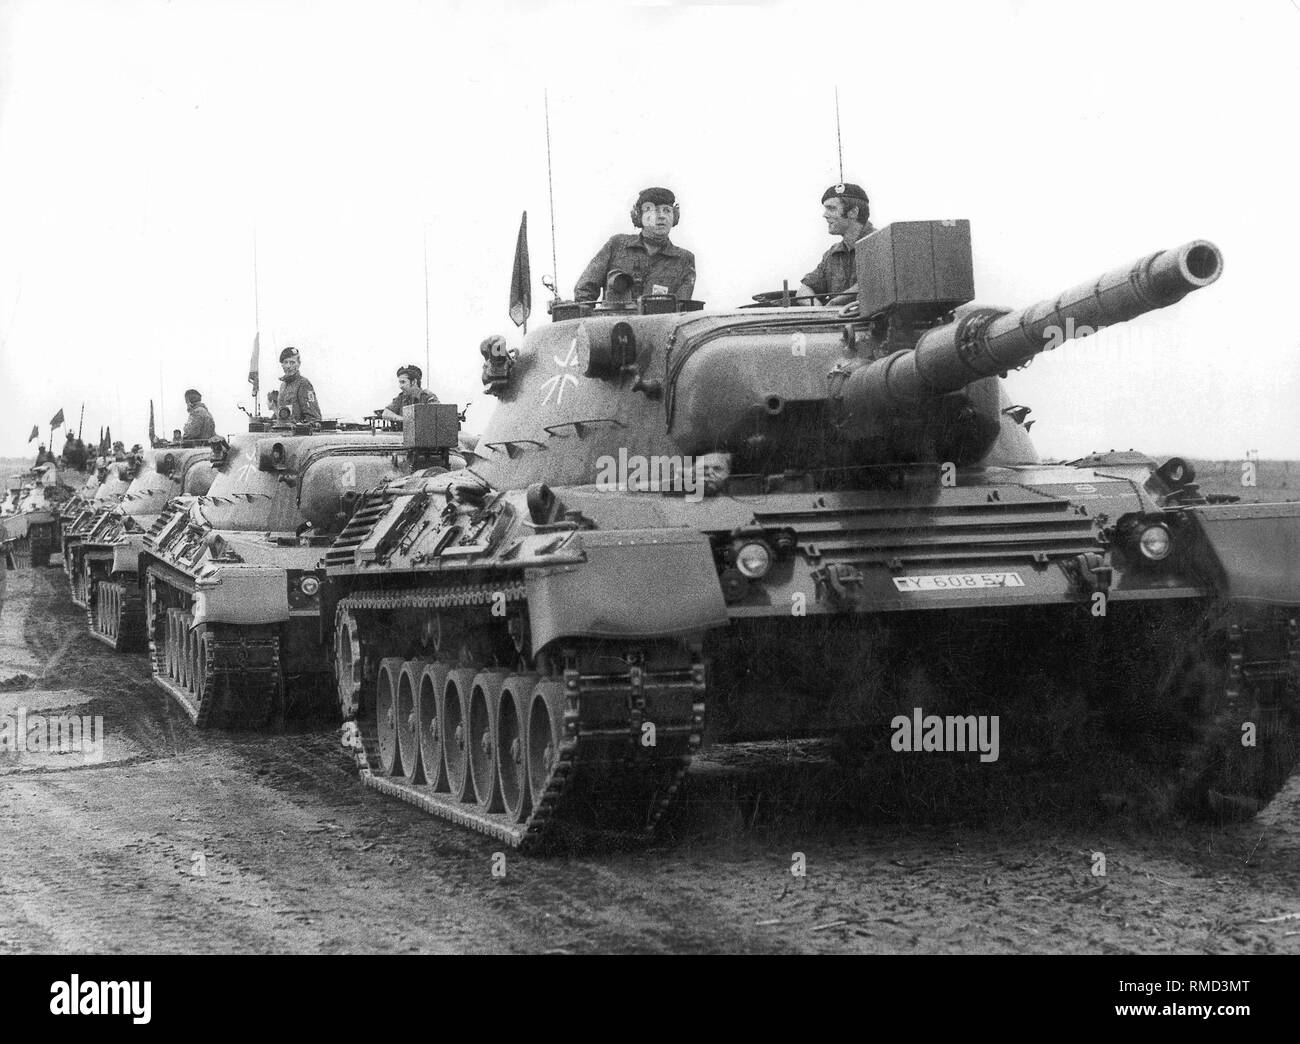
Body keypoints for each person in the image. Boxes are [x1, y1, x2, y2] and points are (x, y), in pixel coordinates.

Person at [574, 187, 696, 305]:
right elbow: (585, 290)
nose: (661, 216)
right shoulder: (617, 245)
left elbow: (681, 308)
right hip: (614, 324)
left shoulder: (684, 259)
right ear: (638, 216)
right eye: (652, 210)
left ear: (675, 217)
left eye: (667, 210)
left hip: (659, 325)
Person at [796, 182, 875, 305]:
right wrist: (817, 308)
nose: (825, 215)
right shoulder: (832, 254)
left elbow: (871, 283)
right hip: (838, 322)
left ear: (853, 212)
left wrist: (834, 303)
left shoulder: (881, 244)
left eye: (831, 208)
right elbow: (804, 289)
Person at [269, 346, 322, 423]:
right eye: (285, 362)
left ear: (299, 364)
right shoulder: (283, 386)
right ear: (282, 365)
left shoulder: (303, 384)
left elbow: (313, 417)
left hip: (298, 433)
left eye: (292, 362)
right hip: (283, 431)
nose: (288, 366)